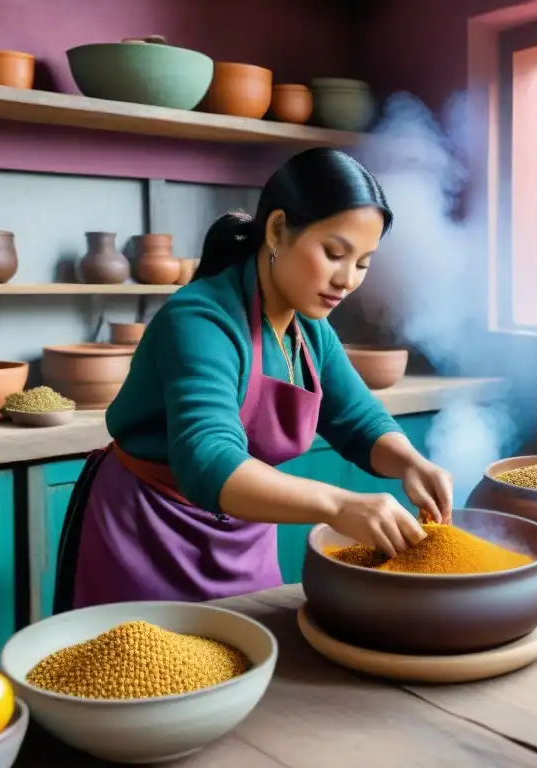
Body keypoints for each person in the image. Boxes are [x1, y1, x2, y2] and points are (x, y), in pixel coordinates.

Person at [52, 147, 454, 613]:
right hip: (148, 529)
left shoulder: (310, 331)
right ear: (278, 229)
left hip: (243, 531)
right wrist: (341, 506)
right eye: (334, 253)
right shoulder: (200, 320)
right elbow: (208, 458)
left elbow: (357, 419)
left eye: (363, 263)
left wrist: (410, 463)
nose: (347, 280)